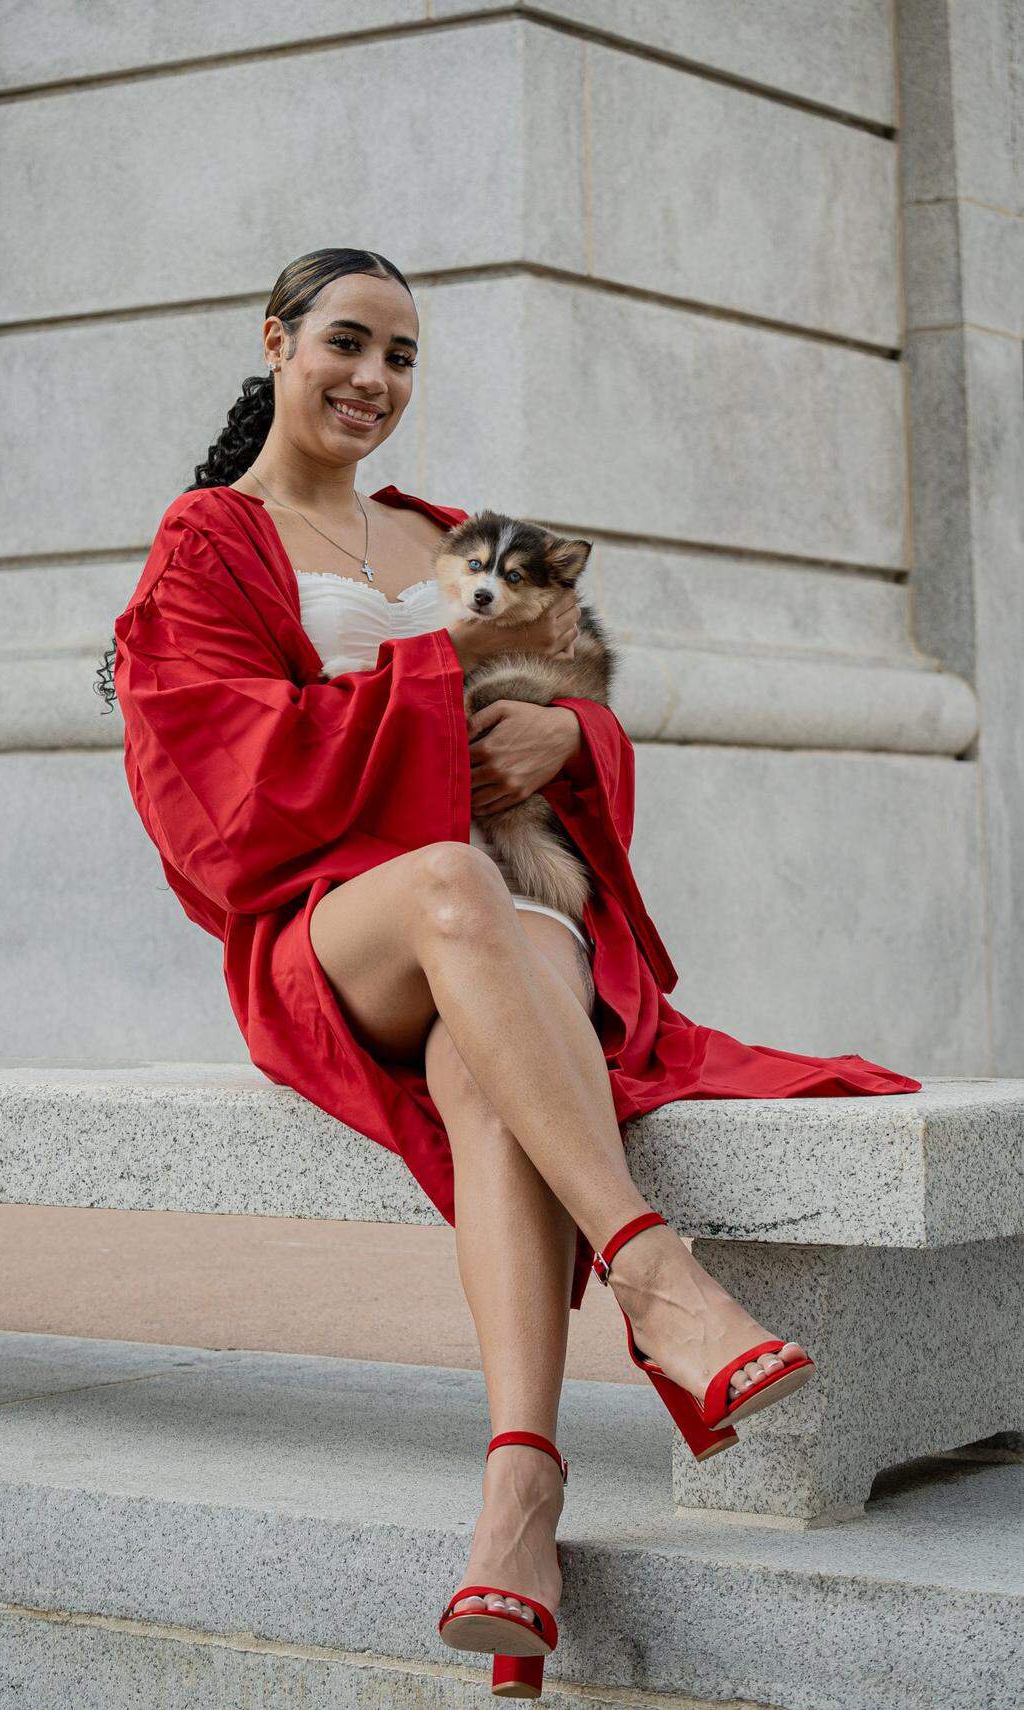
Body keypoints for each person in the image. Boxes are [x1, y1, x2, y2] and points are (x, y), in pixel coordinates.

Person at [107, 246, 921, 1690]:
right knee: (444, 882)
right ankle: (657, 1274)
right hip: (330, 927)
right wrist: (431, 693)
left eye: (403, 356)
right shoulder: (206, 543)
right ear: (278, 343)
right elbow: (217, 798)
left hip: (503, 904)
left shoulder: (457, 534)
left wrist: (569, 740)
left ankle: (520, 1497)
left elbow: (588, 705)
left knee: (488, 1041)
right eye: (347, 343)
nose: (373, 378)